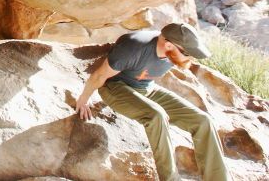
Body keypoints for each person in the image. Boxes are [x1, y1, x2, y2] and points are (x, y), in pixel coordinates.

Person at [75, 23, 229, 181]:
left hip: (146, 89)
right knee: (157, 116)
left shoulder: (171, 51)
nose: (190, 59)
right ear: (169, 45)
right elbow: (100, 76)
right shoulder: (134, 47)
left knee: (203, 121)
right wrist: (83, 99)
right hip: (115, 87)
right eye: (188, 54)